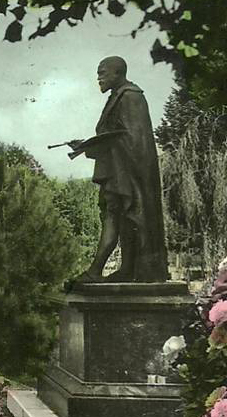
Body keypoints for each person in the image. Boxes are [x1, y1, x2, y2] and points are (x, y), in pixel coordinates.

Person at [68, 56, 169, 283]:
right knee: (120, 219)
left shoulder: (131, 97)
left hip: (125, 174)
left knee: (115, 217)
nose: (98, 78)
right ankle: (127, 268)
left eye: (102, 73)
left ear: (117, 73)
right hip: (117, 171)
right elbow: (117, 136)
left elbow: (135, 140)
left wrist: (95, 144)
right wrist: (87, 145)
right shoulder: (118, 97)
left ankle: (96, 271)